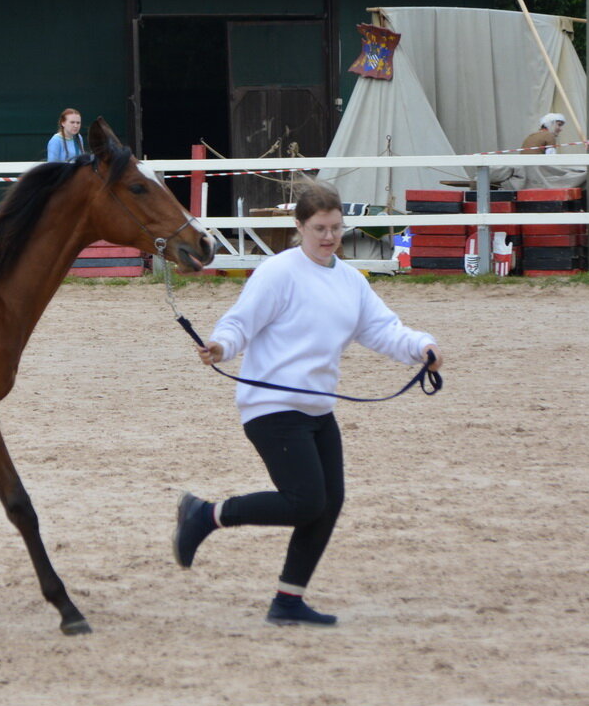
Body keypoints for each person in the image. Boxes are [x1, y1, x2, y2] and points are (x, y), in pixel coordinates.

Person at [171, 183, 443, 628]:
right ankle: (204, 514)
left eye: (336, 227)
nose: (329, 236)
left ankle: (288, 601)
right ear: (299, 227)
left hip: (318, 410)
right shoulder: (279, 272)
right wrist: (221, 345)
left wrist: (422, 347)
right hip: (271, 406)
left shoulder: (351, 282)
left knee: (328, 502)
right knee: (304, 501)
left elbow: (383, 330)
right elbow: (240, 321)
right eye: (319, 228)